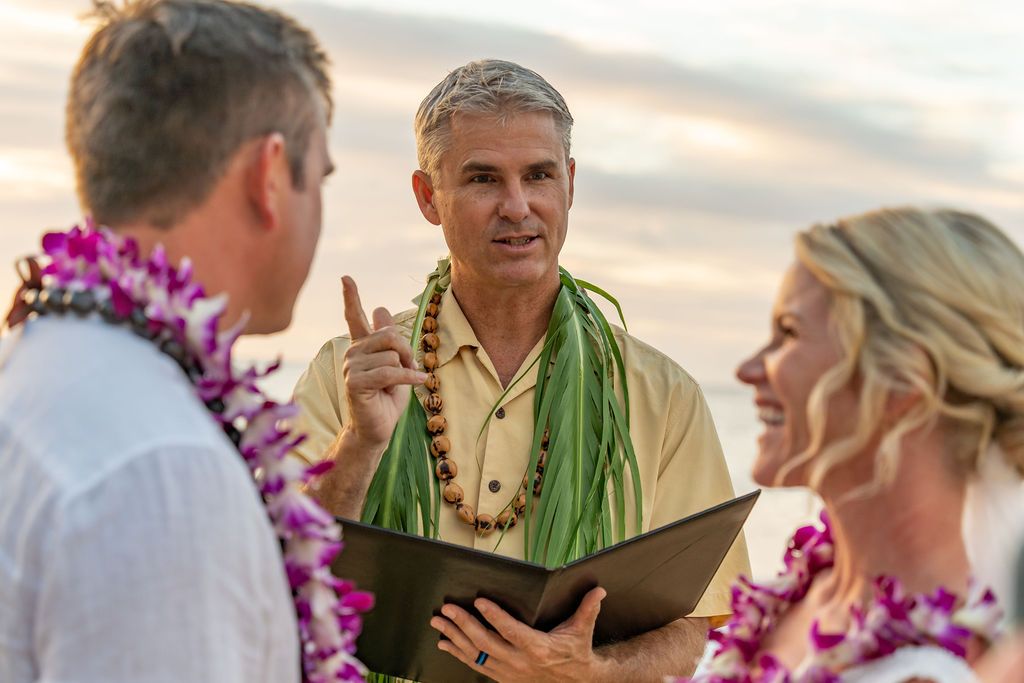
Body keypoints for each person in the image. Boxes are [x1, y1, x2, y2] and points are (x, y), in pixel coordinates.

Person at [292, 58, 750, 680]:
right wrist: (361, 445)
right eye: (483, 179)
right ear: (429, 197)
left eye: (538, 175)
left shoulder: (663, 395)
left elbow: (705, 624)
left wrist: (592, 672)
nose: (516, 206)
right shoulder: (348, 377)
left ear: (569, 184)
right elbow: (280, 576)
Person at [0, 2, 369, 682]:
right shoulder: (163, 474)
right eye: (318, 180)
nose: (319, 208)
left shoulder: (46, 368)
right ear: (269, 176)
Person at [682, 207, 1020, 682]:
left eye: (789, 333)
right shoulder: (797, 599)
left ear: (901, 382)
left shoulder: (960, 667)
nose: (749, 369)